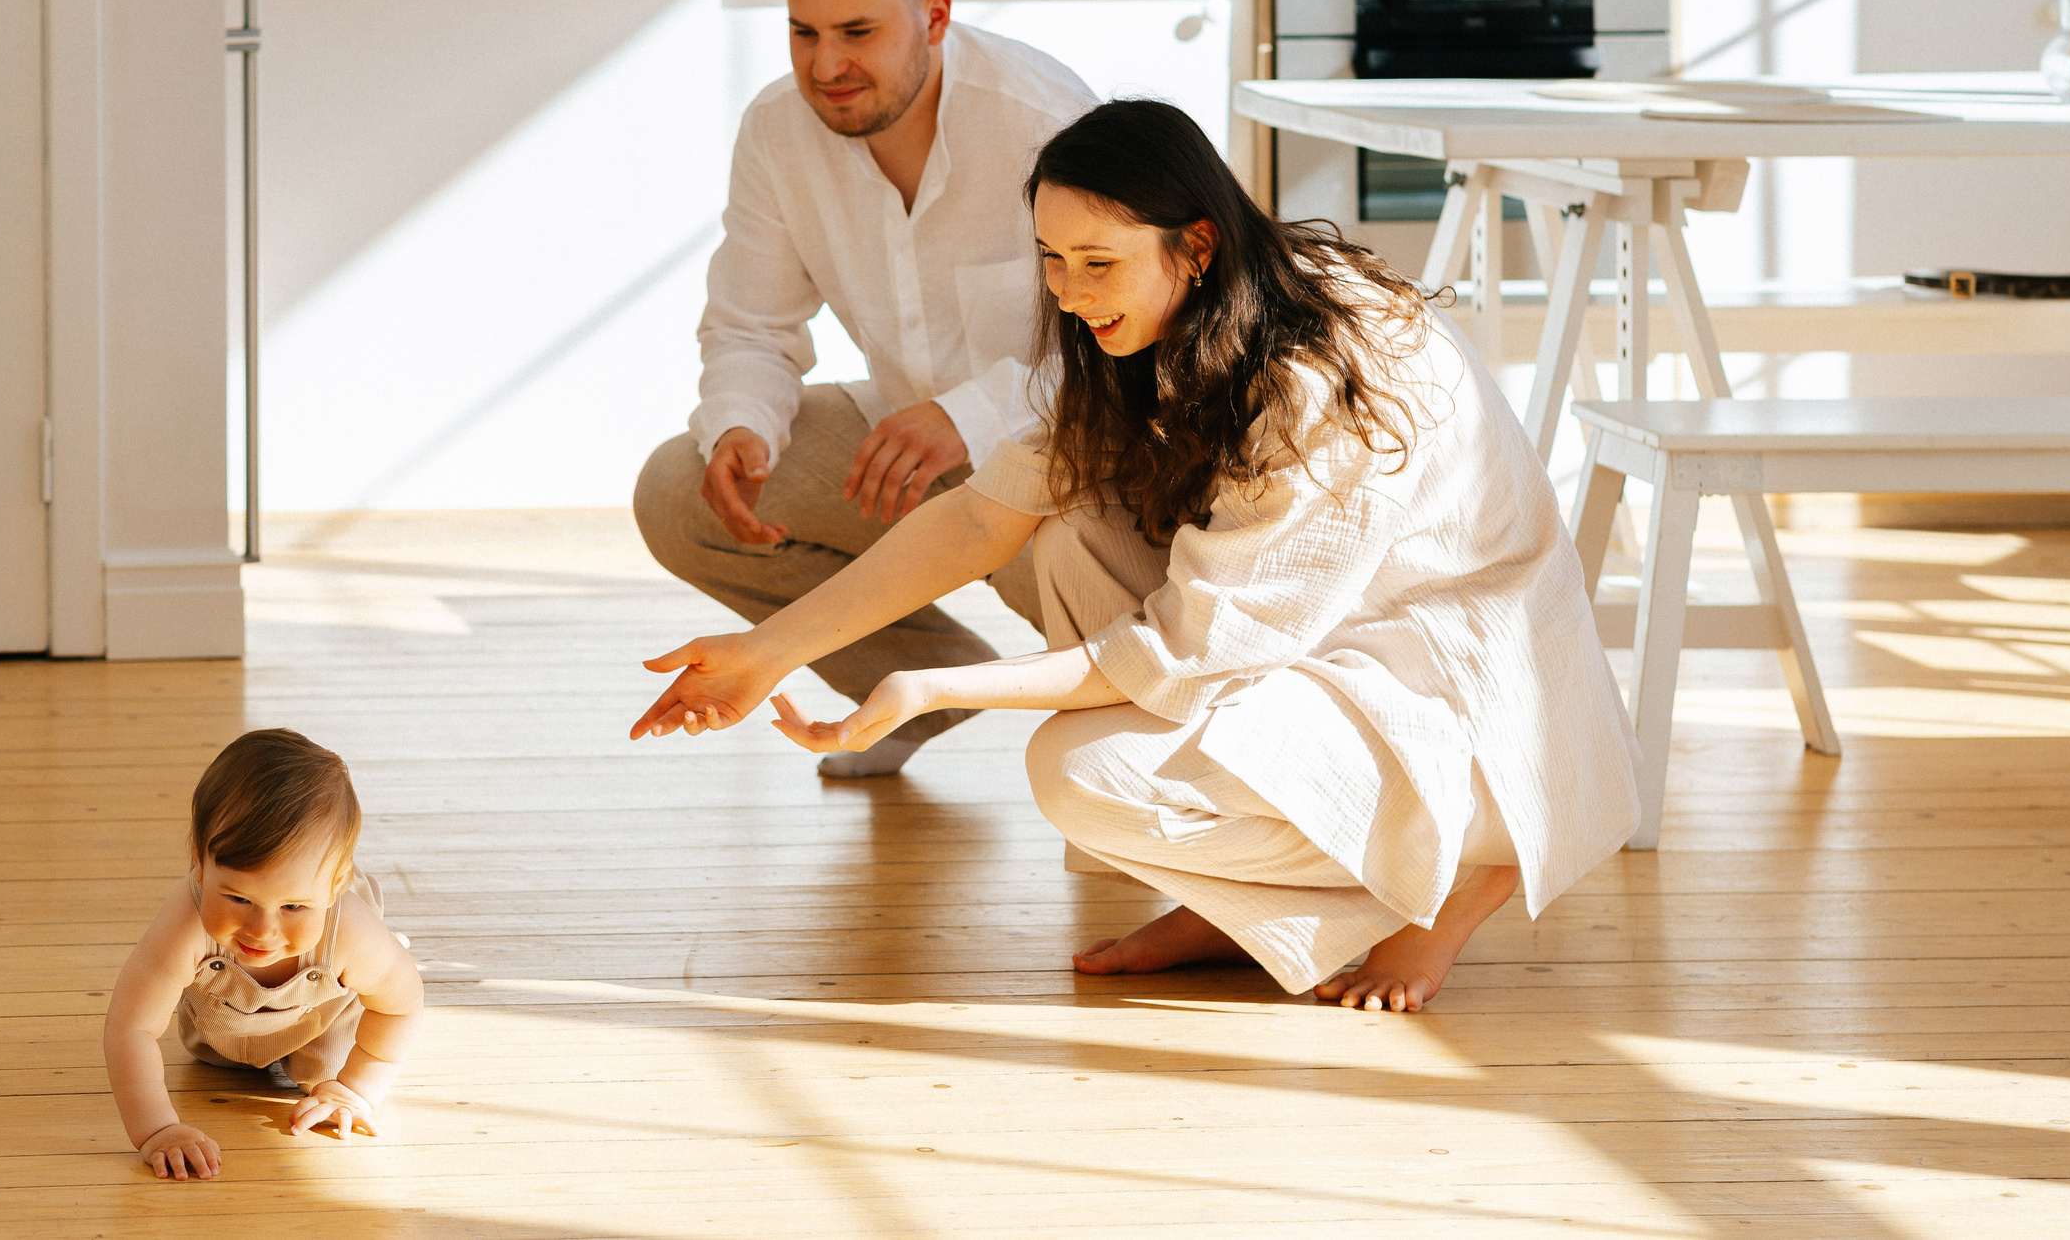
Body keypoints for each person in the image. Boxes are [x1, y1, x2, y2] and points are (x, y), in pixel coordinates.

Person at [632, 100, 1640, 1010]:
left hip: (1451, 688)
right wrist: (764, 651)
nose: (1068, 292)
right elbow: (987, 515)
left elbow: (1179, 648)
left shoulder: (1312, 376)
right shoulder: (1167, 324)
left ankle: (1458, 875)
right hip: (1319, 642)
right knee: (1067, 532)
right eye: (1050, 258)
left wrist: (930, 687)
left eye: (1097, 262)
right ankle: (1242, 912)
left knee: (1082, 777)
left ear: (1194, 245)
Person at [634, 0, 1097, 778]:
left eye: (857, 31)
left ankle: (1131, 769)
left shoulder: (1045, 120)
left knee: (1102, 666)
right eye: (804, 33)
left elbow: (1138, 350)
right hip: (902, 442)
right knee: (678, 489)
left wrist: (965, 416)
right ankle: (915, 684)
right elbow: (750, 324)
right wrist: (742, 426)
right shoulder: (776, 130)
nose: (827, 65)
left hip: (1062, 459)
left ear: (935, 16)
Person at [105, 729, 423, 1179]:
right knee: (214, 1058)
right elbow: (130, 1026)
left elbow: (402, 1006)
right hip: (220, 1021)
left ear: (334, 886)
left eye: (294, 906)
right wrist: (157, 1129)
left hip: (324, 1015)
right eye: (237, 898)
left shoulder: (349, 930)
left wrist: (355, 1090)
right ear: (199, 861)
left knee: (322, 1072)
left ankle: (387, 958)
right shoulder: (185, 923)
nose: (262, 930)